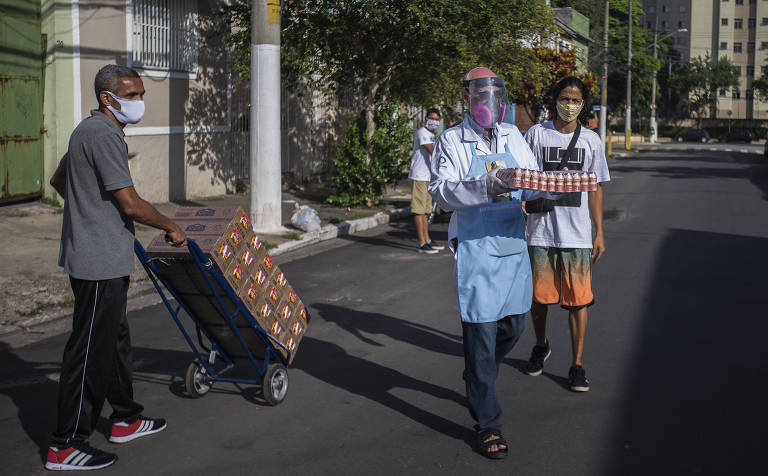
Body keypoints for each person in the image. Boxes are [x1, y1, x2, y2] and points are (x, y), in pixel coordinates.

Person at [45, 64, 187, 471]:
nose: (140, 102)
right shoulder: (105, 135)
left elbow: (60, 179)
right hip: (98, 263)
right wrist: (169, 225)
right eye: (133, 95)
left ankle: (124, 417)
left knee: (114, 342)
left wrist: (87, 209)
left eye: (141, 93)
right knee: (88, 352)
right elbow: (129, 202)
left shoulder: (85, 132)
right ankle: (65, 444)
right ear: (108, 98)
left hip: (99, 254)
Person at [429, 67, 559, 459]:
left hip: (512, 244)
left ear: (502, 98)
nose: (488, 101)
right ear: (467, 98)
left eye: (494, 94)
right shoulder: (452, 139)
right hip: (478, 249)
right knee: (481, 337)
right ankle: (488, 423)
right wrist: (488, 184)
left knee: (513, 326)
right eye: (479, 94)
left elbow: (530, 177)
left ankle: (477, 374)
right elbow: (442, 192)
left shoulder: (512, 135)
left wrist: (541, 194)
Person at [523, 76, 610, 392]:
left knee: (578, 301)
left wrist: (599, 231)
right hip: (540, 231)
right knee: (539, 298)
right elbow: (525, 178)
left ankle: (577, 365)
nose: (570, 105)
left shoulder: (591, 141)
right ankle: (541, 344)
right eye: (565, 98)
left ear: (583, 103)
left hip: (576, 235)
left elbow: (597, 187)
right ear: (554, 99)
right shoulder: (535, 135)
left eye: (575, 100)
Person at [409, 108, 444, 254]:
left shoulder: (431, 135)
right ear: (426, 118)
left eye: (437, 119)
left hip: (428, 176)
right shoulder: (422, 133)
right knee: (419, 211)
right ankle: (422, 243)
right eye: (432, 118)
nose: (434, 122)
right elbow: (432, 151)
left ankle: (427, 240)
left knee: (425, 211)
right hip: (419, 176)